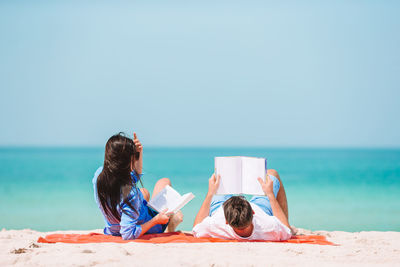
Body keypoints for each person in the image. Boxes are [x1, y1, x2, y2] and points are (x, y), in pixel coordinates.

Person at [92, 132, 183, 240]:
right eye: (134, 156)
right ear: (126, 161)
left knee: (144, 192)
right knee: (164, 182)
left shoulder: (100, 176)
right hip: (147, 225)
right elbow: (128, 234)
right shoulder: (130, 194)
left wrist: (139, 152)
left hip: (114, 228)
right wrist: (156, 220)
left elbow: (133, 177)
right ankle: (171, 221)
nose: (136, 159)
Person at [192, 169, 292, 241]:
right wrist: (270, 194)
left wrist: (210, 193)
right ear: (253, 212)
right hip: (262, 209)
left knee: (219, 174)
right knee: (271, 173)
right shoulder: (270, 227)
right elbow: (286, 229)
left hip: (218, 209)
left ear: (226, 221)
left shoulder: (213, 225)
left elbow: (196, 227)